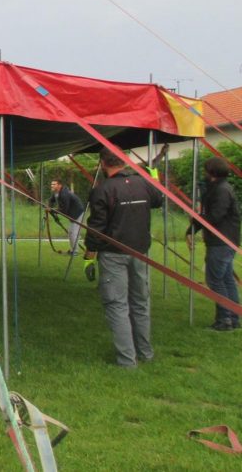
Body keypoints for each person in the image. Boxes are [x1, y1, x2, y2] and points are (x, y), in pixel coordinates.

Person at [85, 148, 162, 367]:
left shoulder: (103, 189)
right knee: (140, 303)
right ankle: (144, 354)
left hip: (113, 255)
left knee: (117, 304)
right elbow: (159, 199)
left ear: (102, 163)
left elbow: (96, 228)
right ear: (125, 162)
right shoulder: (142, 183)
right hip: (140, 252)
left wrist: (89, 254)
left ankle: (128, 360)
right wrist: (152, 176)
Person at [186, 157, 240, 331]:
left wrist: (195, 222)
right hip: (224, 240)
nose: (204, 174)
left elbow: (215, 216)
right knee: (225, 279)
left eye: (206, 170)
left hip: (221, 241)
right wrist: (192, 228)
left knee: (215, 280)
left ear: (212, 172)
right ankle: (233, 316)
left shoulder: (222, 190)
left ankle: (225, 319)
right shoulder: (217, 188)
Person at [48, 179, 86, 256]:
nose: (52, 186)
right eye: (51, 184)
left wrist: (52, 210)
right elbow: (51, 200)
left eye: (54, 184)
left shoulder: (64, 194)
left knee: (72, 233)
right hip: (72, 214)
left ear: (59, 185)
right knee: (72, 233)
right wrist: (49, 206)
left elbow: (64, 210)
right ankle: (74, 248)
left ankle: (75, 252)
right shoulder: (56, 193)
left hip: (77, 214)